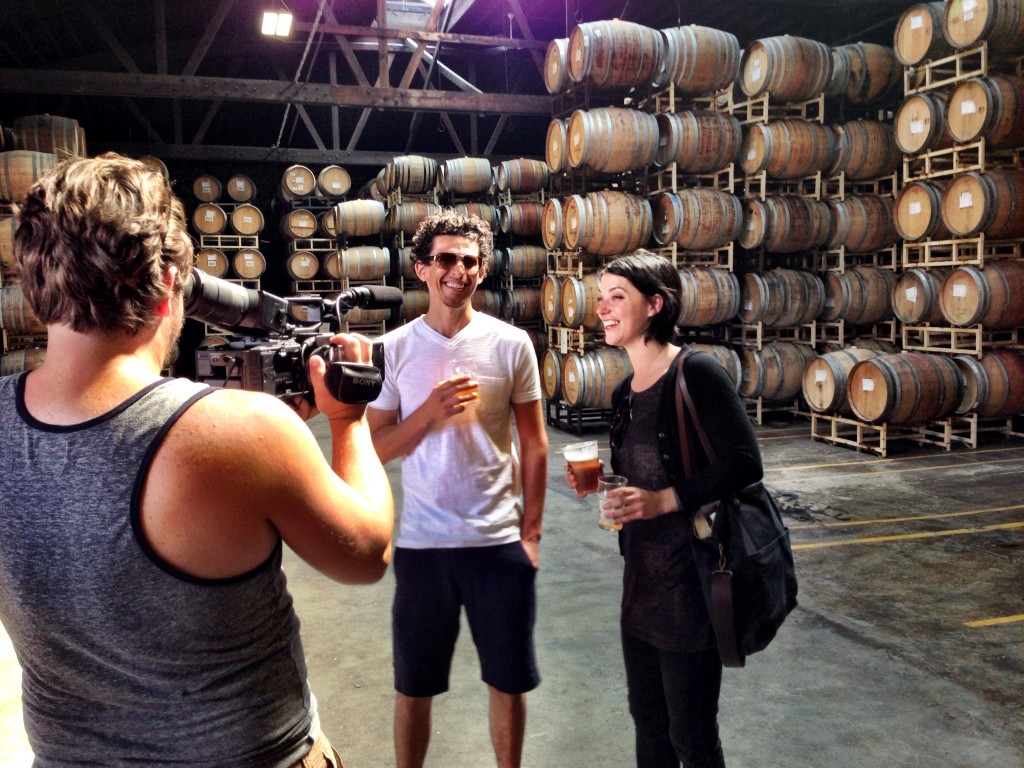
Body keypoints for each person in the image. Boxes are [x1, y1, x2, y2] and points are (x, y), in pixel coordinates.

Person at [0, 153, 394, 768]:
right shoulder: (238, 430)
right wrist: (349, 422)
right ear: (167, 286)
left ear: (32, 283)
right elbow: (367, 555)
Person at [566, 250, 764, 768]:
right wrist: (608, 484)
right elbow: (639, 474)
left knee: (692, 735)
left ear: (655, 304)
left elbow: (745, 462)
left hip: (692, 583)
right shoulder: (623, 393)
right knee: (648, 723)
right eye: (601, 297)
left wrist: (664, 500)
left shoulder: (695, 373)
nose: (603, 309)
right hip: (642, 586)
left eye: (618, 298)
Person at [366, 209, 548, 768]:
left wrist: (531, 536)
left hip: (497, 543)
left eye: (470, 261)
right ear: (422, 269)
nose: (458, 271)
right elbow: (376, 448)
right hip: (424, 546)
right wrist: (429, 413)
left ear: (482, 270)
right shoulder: (394, 349)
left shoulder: (511, 344)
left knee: (507, 682)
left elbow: (535, 444)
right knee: (413, 687)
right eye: (445, 259)